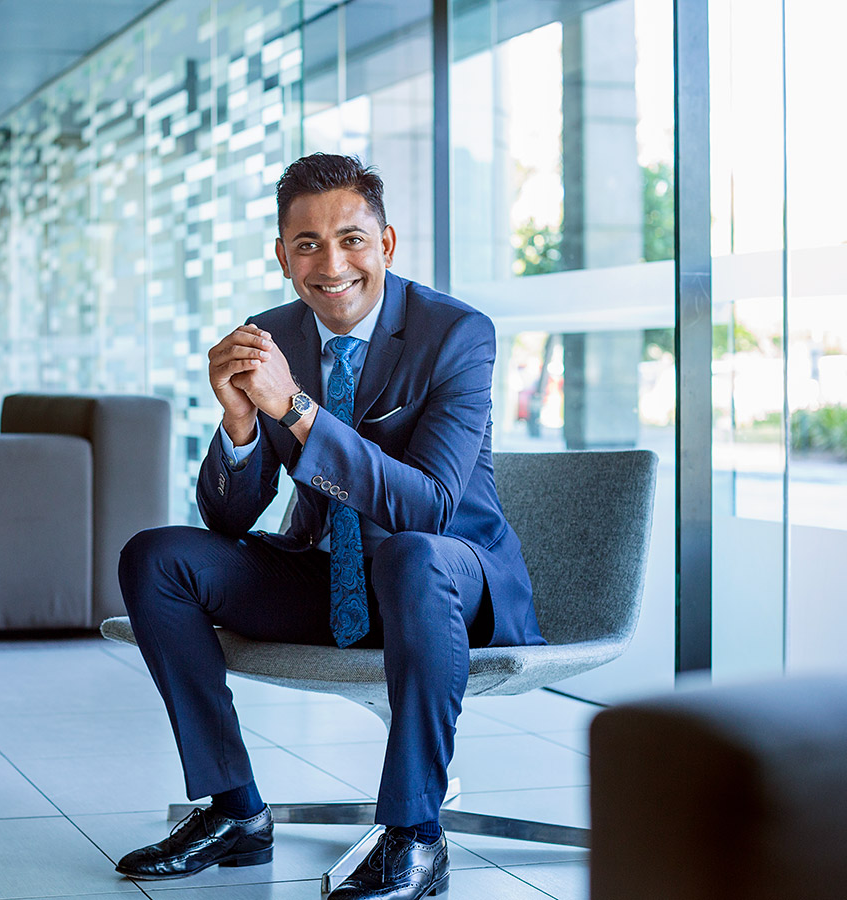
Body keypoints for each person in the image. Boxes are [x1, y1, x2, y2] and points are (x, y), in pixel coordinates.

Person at [114, 153, 546, 900]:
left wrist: (296, 411)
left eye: (351, 239)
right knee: (157, 558)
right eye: (307, 244)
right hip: (331, 580)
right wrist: (242, 422)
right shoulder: (271, 336)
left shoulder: (456, 334)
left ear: (387, 245)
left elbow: (431, 506)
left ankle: (414, 835)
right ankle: (234, 810)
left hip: (449, 583)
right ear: (282, 257)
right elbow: (226, 518)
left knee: (411, 554)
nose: (331, 263)